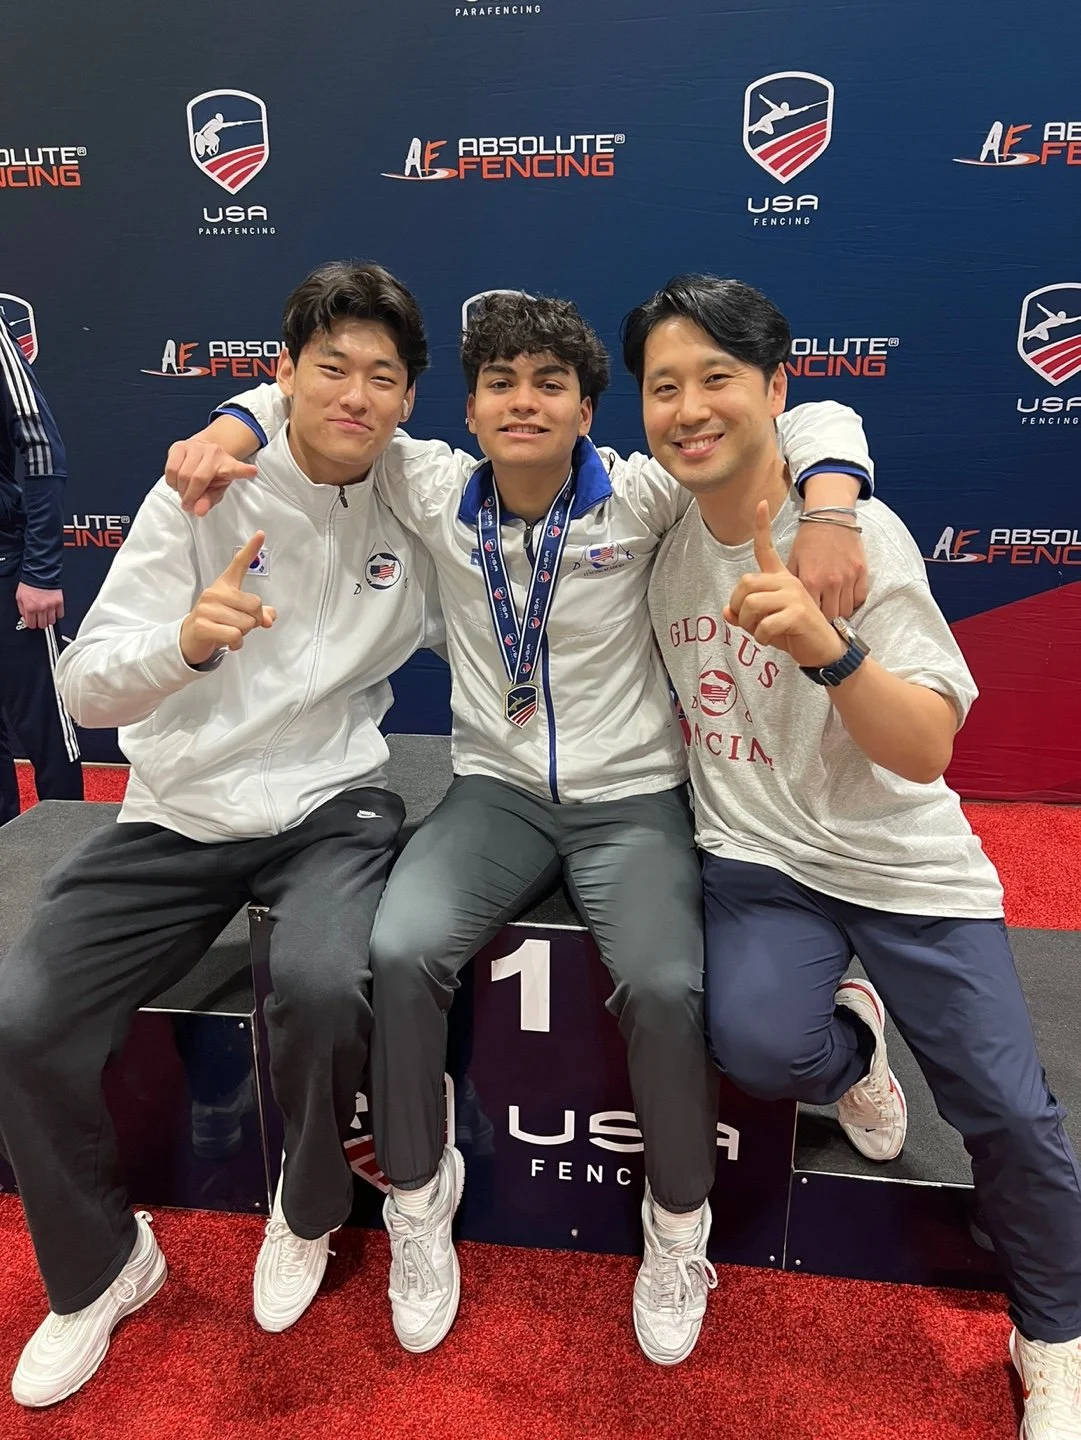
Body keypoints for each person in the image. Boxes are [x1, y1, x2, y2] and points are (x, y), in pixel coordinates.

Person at [168, 290, 877, 1366]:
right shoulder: (430, 483)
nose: (523, 401)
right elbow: (309, 399)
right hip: (493, 794)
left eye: (550, 383)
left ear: (589, 409)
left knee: (664, 986)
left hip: (630, 801)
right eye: (501, 383)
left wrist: (828, 508)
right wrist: (232, 424)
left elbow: (810, 420)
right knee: (401, 949)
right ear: (470, 405)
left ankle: (677, 1226)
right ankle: (416, 1196)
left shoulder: (643, 498)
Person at [630, 273, 1081, 1437]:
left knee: (1010, 1116)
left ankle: (1055, 1335)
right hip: (754, 855)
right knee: (760, 1041)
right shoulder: (652, 525)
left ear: (776, 391)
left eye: (717, 381)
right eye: (661, 386)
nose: (687, 408)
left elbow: (927, 746)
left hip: (897, 861)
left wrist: (832, 647)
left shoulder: (858, 534)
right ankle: (856, 1051)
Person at [0, 261, 444, 1408]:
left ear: (408, 400)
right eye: (329, 367)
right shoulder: (200, 493)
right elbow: (91, 689)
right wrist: (187, 645)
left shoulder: (425, 492)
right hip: (182, 805)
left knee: (315, 977)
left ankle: (305, 1212)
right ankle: (104, 1268)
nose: (354, 394)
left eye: (382, 377)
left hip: (334, 798)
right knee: (24, 1019)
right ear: (282, 371)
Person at [0, 306, 82, 826]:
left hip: (9, 571)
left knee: (47, 728)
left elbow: (40, 448)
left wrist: (40, 572)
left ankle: (70, 844)